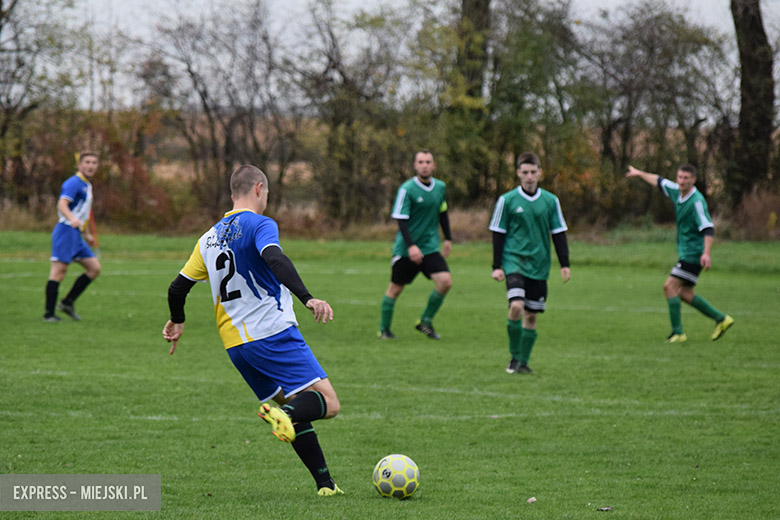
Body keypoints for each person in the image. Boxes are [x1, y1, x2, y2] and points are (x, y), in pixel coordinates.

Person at [162, 165, 344, 497]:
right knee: (328, 403)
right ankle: (283, 414)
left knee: (297, 410)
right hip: (272, 333)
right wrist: (307, 297)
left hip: (237, 347)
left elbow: (177, 288)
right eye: (267, 193)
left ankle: (326, 486)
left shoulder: (208, 238)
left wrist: (178, 320)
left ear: (233, 193)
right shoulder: (261, 224)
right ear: (259, 188)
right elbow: (274, 258)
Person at [626, 164, 734, 343]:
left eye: (686, 178)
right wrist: (639, 173)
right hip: (687, 252)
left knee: (669, 286)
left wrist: (706, 253)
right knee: (684, 293)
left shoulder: (696, 201)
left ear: (693, 180)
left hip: (694, 253)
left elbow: (708, 228)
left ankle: (678, 333)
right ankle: (721, 319)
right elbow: (659, 180)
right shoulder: (677, 191)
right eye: (680, 177)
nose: (682, 181)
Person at [489, 152, 570, 374]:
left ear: (540, 173)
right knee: (516, 306)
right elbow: (498, 233)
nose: (529, 177)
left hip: (539, 264)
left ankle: (523, 362)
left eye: (533, 172)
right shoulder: (507, 200)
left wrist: (565, 263)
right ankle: (514, 356)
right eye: (525, 172)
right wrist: (497, 266)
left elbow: (559, 233)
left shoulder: (550, 201)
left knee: (532, 315)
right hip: (514, 261)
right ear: (518, 173)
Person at [379, 150, 453, 340]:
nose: (424, 165)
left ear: (433, 165)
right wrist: (411, 246)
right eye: (421, 162)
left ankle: (425, 321)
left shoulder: (440, 187)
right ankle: (384, 330)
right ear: (415, 165)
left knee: (445, 282)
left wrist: (448, 238)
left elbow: (442, 213)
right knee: (395, 289)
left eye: (428, 162)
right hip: (406, 249)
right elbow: (401, 220)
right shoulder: (407, 189)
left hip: (430, 246)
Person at [43, 152, 102, 322]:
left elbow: (83, 213)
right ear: (79, 165)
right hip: (66, 231)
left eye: (94, 163)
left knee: (94, 268)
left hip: (76, 234)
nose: (91, 166)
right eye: (87, 162)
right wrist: (71, 219)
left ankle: (67, 302)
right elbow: (62, 204)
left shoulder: (87, 185)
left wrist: (87, 233)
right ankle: (49, 314)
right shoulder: (73, 183)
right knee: (58, 272)